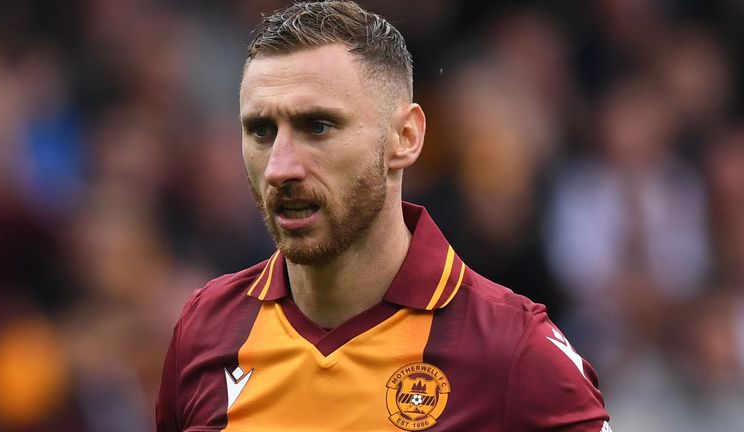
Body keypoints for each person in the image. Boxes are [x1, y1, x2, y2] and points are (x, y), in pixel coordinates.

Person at [156, 1, 611, 430]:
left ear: (405, 137)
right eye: (260, 130)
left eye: (318, 126)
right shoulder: (205, 330)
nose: (280, 167)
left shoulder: (515, 351)